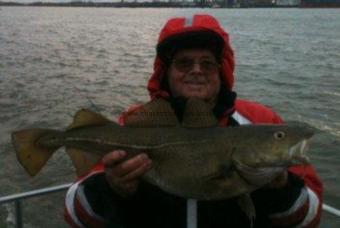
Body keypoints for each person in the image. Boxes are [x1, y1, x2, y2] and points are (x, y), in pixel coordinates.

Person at [64, 14, 323, 227]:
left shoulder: (261, 120)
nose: (196, 71)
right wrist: (111, 189)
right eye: (184, 63)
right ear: (166, 73)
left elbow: (310, 217)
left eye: (207, 64)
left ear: (222, 71)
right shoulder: (133, 124)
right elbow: (75, 214)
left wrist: (281, 189)